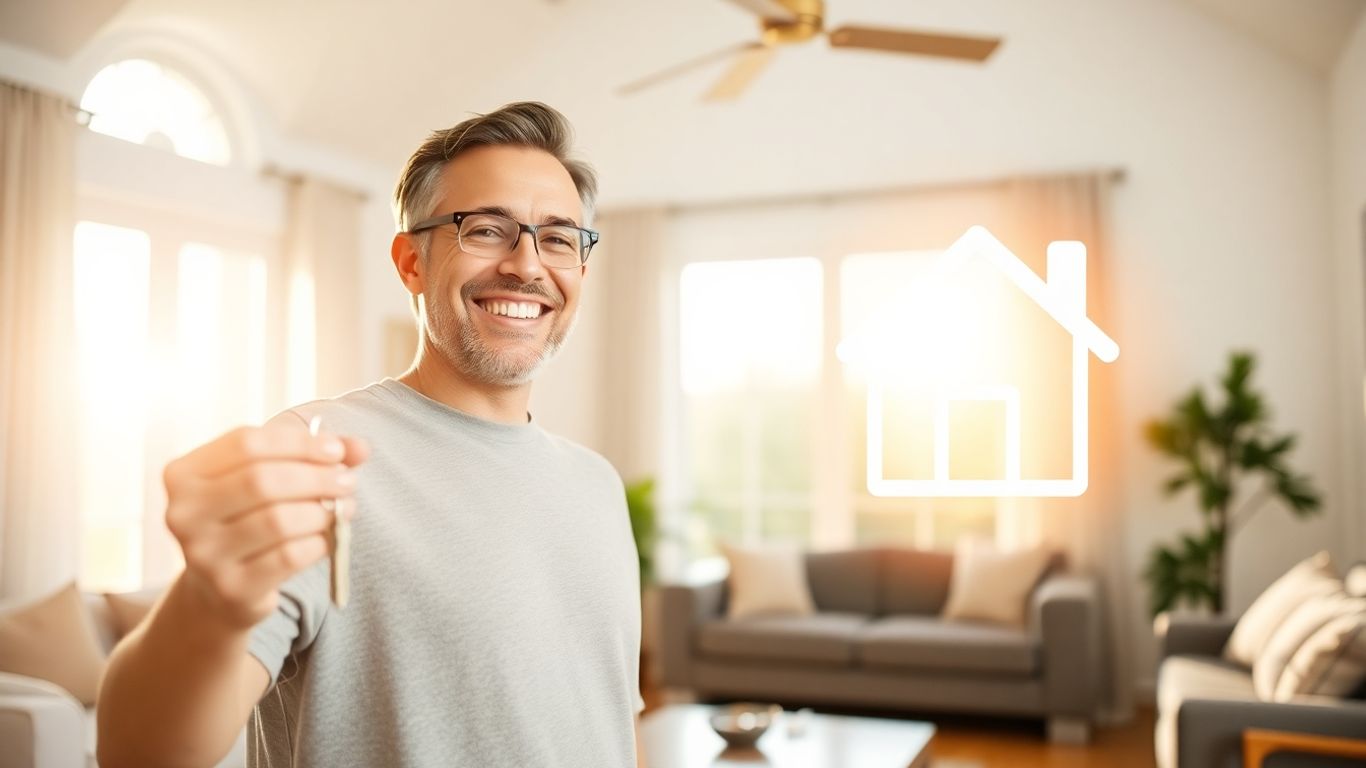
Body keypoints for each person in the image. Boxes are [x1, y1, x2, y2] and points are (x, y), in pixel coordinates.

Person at [96, 102, 644, 767]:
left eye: (558, 238)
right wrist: (207, 606)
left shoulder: (596, 483)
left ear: (581, 268)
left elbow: (612, 718)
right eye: (488, 229)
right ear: (412, 262)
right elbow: (143, 751)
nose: (527, 265)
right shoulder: (316, 454)